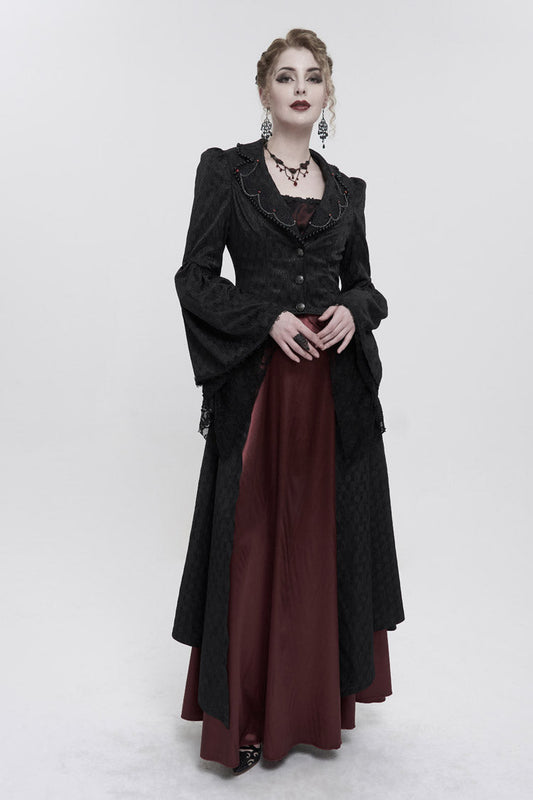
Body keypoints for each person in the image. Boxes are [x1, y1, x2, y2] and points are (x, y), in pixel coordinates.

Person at [171, 28, 405, 775]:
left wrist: (352, 311)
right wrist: (264, 317)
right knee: (252, 547)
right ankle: (243, 716)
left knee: (320, 549)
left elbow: (368, 287)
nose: (299, 88)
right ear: (264, 91)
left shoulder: (347, 191)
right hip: (261, 394)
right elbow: (194, 279)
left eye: (312, 77)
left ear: (327, 95)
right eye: (285, 76)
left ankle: (309, 709)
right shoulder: (227, 172)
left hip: (332, 398)